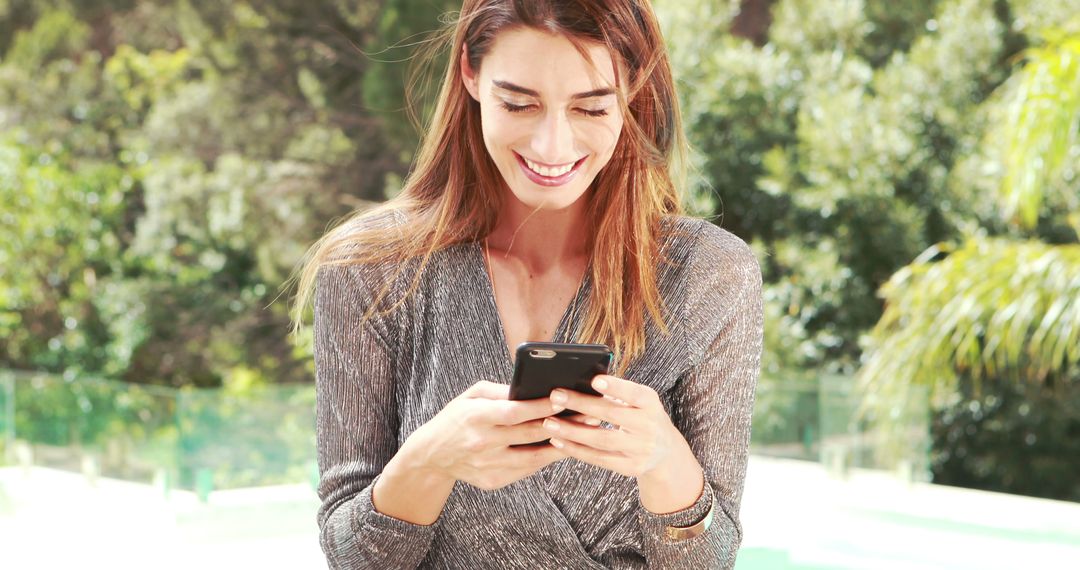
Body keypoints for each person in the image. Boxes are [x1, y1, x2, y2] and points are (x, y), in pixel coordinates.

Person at [290, 1, 762, 568]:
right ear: (469, 72)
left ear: (633, 87)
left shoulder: (709, 275)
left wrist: (666, 463)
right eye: (519, 103)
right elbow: (351, 558)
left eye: (590, 108)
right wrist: (429, 461)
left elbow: (712, 560)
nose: (552, 147)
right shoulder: (372, 269)